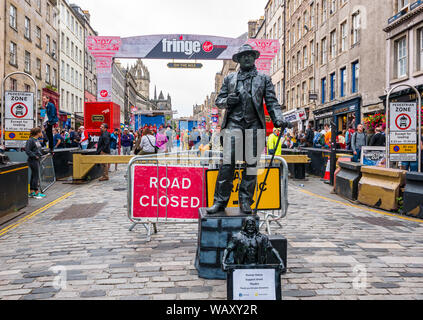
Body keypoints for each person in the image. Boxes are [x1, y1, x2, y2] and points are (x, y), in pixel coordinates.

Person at [206, 44, 290, 215]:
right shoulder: (230, 79)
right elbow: (219, 100)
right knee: (227, 165)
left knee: (251, 167)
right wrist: (227, 100)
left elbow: (272, 102)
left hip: (254, 126)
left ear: (254, 57)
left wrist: (278, 119)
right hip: (233, 125)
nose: (246, 58)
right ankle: (220, 202)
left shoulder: (264, 79)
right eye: (243, 55)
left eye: (249, 55)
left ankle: (245, 201)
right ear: (238, 59)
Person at [25, 127, 45, 199]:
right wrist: (35, 156)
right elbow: (27, 150)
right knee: (35, 176)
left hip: (36, 160)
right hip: (32, 160)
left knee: (34, 175)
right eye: (41, 132)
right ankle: (35, 192)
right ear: (38, 133)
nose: (42, 133)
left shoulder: (36, 140)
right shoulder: (30, 140)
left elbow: (37, 149)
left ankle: (32, 192)